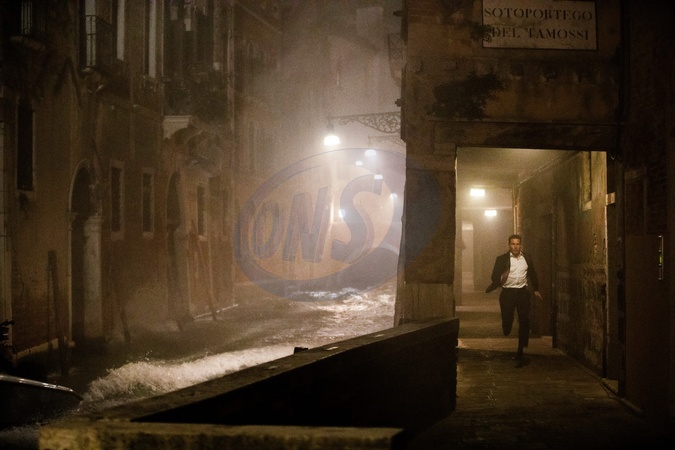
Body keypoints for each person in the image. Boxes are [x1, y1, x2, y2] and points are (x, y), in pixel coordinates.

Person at [486, 234, 543, 362]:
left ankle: (520, 349)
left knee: (524, 319)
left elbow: (532, 273)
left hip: (522, 292)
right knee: (507, 318)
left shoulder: (527, 258)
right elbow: (494, 276)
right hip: (508, 292)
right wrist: (502, 277)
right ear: (509, 245)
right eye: (513, 244)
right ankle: (506, 326)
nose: (515, 246)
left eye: (517, 244)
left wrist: (536, 289)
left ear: (520, 245)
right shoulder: (501, 259)